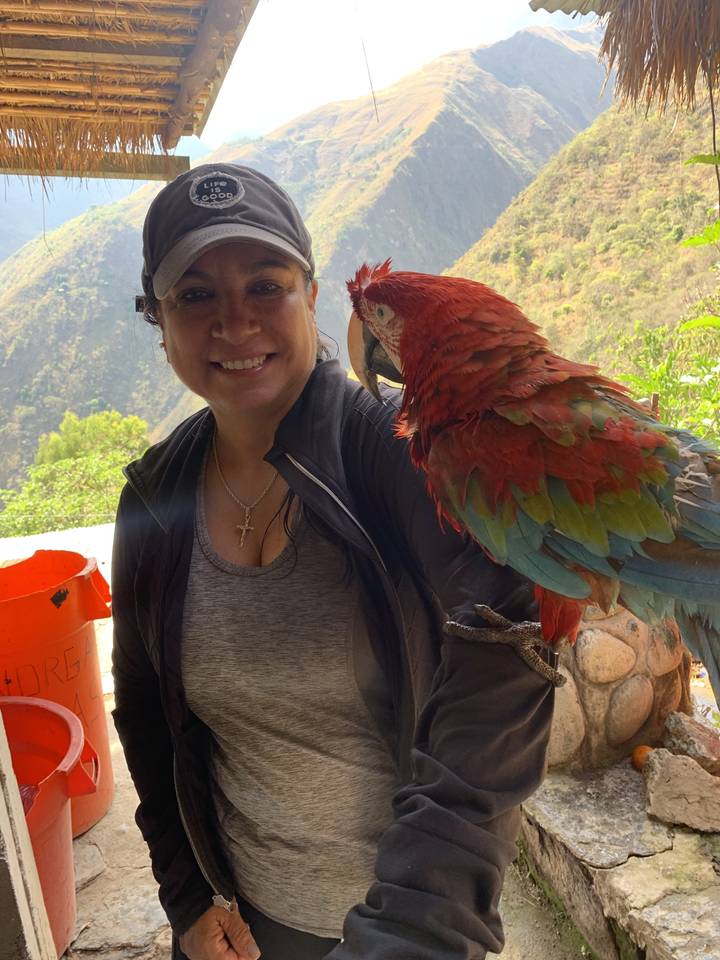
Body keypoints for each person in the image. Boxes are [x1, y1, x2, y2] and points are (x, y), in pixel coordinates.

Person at [111, 163, 556, 960]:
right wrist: (184, 896)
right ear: (158, 317)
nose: (235, 321)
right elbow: (143, 709)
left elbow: (508, 657)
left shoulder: (404, 456)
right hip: (244, 925)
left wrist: (416, 924)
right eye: (197, 295)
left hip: (402, 923)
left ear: (310, 296)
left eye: (266, 285)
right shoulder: (155, 497)